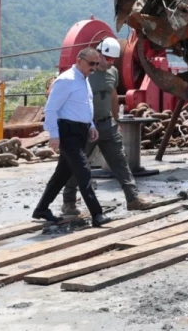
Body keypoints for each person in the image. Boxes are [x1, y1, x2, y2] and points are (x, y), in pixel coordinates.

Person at [61, 37, 153, 213]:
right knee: (77, 163)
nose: (109, 62)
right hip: (86, 126)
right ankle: (69, 201)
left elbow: (112, 94)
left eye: (112, 59)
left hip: (106, 124)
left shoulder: (113, 72)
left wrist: (116, 119)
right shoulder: (85, 73)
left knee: (120, 161)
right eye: (107, 58)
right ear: (99, 54)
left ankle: (133, 198)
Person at [32, 48, 106, 226]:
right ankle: (97, 214)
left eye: (97, 64)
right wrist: (54, 135)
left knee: (62, 175)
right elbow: (51, 109)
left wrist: (91, 125)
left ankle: (41, 209)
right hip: (67, 132)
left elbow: (84, 107)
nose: (94, 67)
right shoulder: (66, 80)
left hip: (80, 132)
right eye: (91, 63)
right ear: (79, 60)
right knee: (83, 171)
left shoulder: (84, 80)